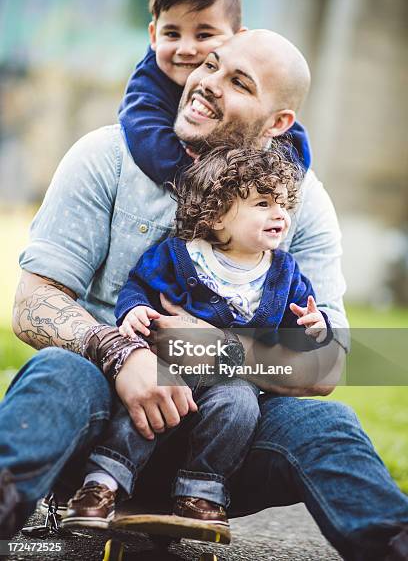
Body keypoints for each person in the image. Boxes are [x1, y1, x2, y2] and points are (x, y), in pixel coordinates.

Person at [2, 28, 408, 560]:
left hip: (223, 449)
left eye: (238, 81)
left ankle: (391, 542)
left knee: (327, 424)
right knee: (60, 370)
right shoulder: (106, 156)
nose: (207, 83)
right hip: (101, 430)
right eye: (211, 64)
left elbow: (329, 366)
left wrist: (215, 348)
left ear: (278, 124)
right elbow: (32, 303)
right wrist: (121, 352)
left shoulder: (301, 206)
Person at [62, 145, 332, 532]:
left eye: (284, 205)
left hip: (231, 378)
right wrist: (134, 309)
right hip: (174, 364)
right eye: (263, 203)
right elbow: (140, 283)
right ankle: (103, 483)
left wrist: (314, 324)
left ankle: (200, 494)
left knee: (240, 406)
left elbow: (297, 329)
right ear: (218, 215)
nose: (280, 215)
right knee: (149, 401)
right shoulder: (182, 255)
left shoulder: (285, 273)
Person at [118, 0, 312, 185]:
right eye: (171, 34)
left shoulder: (261, 100)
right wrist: (195, 179)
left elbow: (291, 138)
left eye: (204, 35)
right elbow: (144, 132)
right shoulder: (150, 79)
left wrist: (279, 183)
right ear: (153, 36)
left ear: (239, 37)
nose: (186, 49)